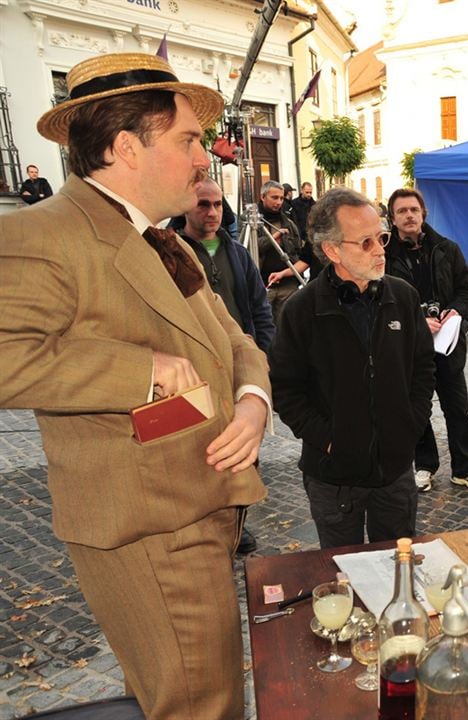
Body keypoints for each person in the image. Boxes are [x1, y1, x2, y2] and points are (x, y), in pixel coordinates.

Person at [0, 53, 271, 719]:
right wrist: (140, 371)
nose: (203, 159)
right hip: (149, 533)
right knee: (199, 707)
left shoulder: (161, 239)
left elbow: (234, 339)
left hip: (197, 512)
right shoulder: (41, 233)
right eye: (186, 140)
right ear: (126, 147)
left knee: (196, 697)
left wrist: (252, 401)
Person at [268, 188, 436, 547]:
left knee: (397, 570)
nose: (380, 250)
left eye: (382, 237)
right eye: (365, 242)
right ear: (332, 250)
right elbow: (285, 389)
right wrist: (329, 439)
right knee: (341, 575)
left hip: (394, 473)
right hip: (333, 478)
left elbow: (423, 369)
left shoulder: (403, 296)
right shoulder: (301, 310)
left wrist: (411, 425)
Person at [385, 187, 468, 493]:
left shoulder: (447, 248)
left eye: (413, 210)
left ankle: (465, 468)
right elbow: (381, 298)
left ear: (423, 214)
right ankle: (425, 465)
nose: (408, 216)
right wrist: (415, 320)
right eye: (401, 211)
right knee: (418, 409)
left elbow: (467, 290)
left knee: (457, 408)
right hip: (409, 347)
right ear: (392, 217)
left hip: (447, 344)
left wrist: (455, 310)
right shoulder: (385, 254)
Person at [178, 176, 276, 352]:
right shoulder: (172, 254)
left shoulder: (239, 254)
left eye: (218, 204)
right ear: (185, 206)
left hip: (242, 356)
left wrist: (262, 355)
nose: (213, 213)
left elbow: (260, 308)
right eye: (203, 205)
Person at [258, 179, 306, 325]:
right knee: (265, 327)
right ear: (263, 197)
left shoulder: (289, 223)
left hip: (288, 285)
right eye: (274, 198)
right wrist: (272, 239)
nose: (279, 202)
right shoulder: (251, 223)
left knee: (287, 327)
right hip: (264, 285)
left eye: (281, 198)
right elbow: (246, 247)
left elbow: (298, 251)